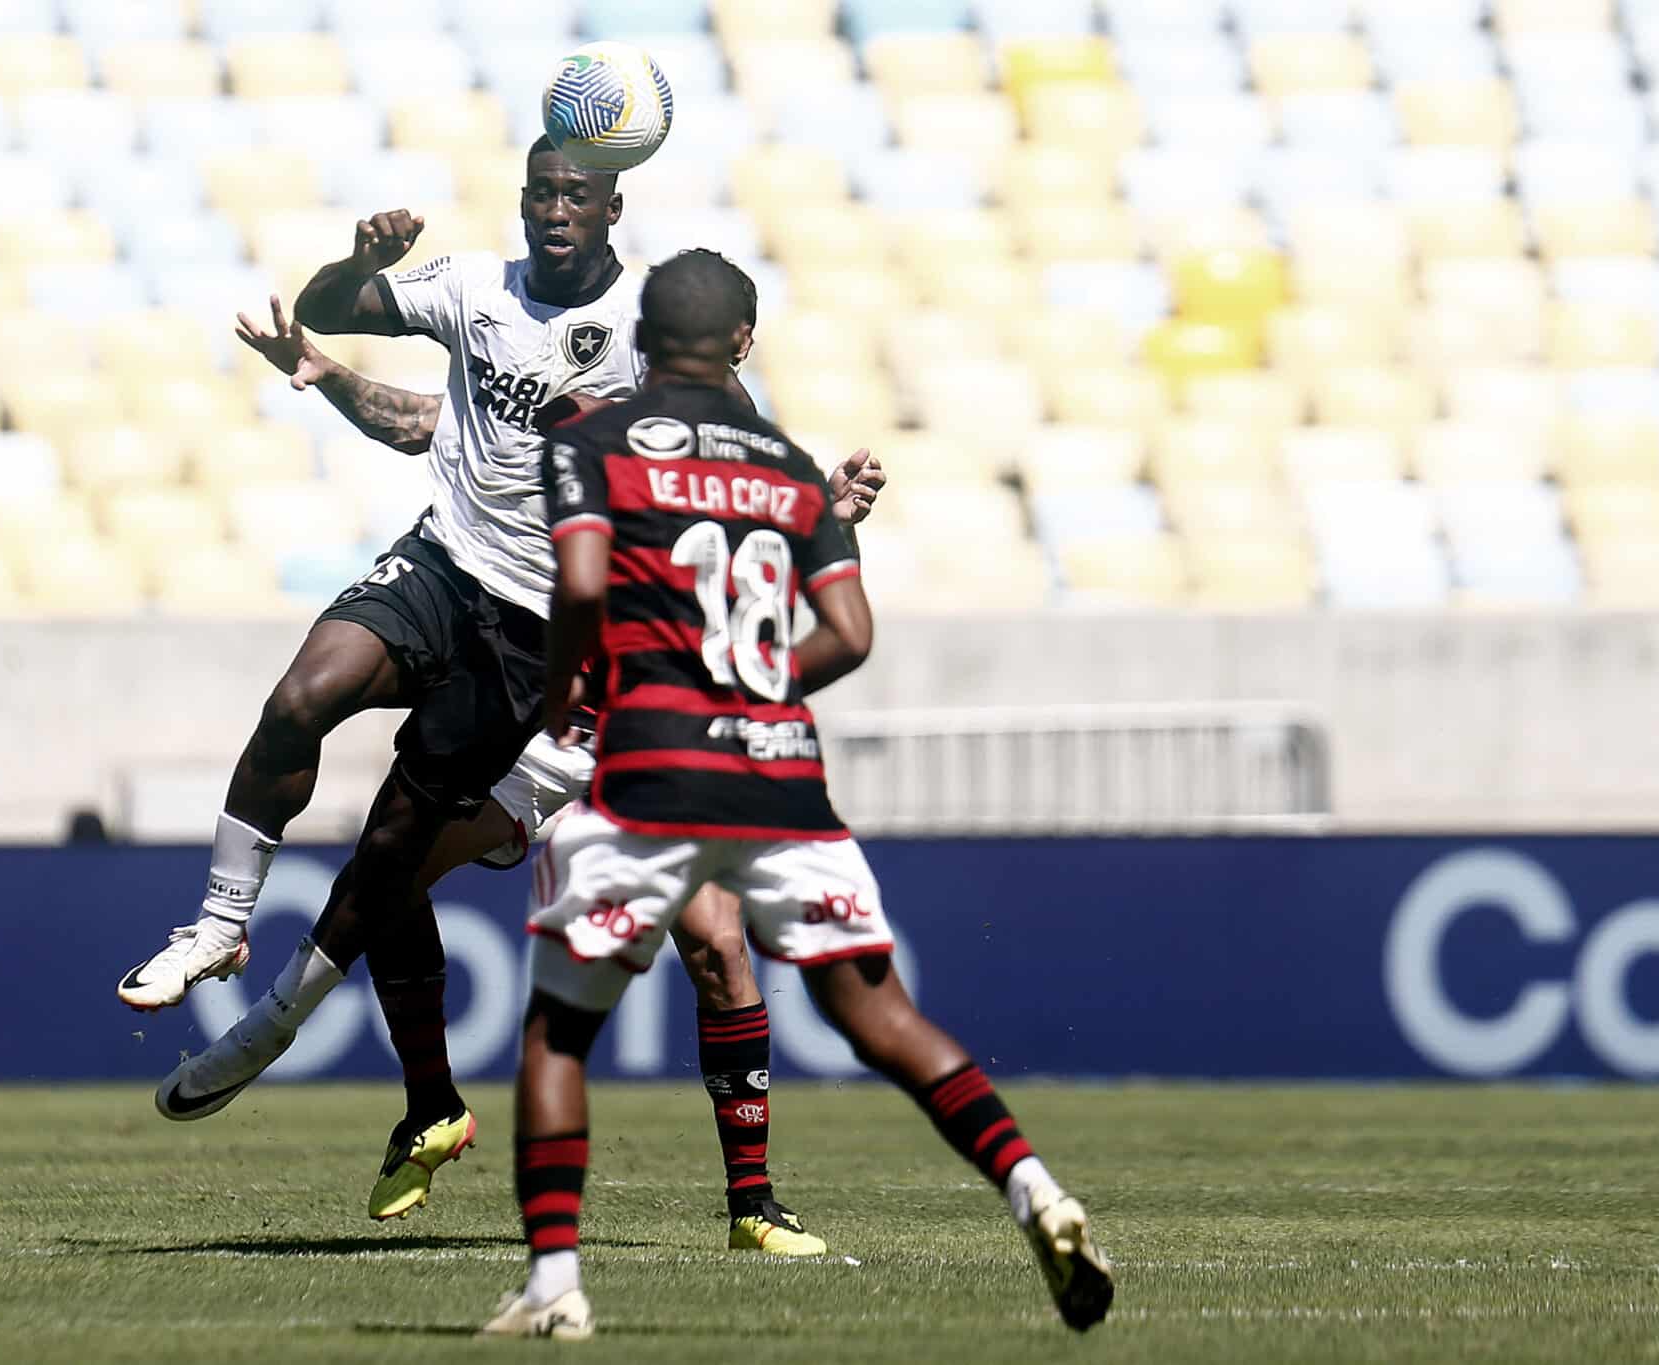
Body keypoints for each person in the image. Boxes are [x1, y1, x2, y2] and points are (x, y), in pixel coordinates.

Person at [126, 140, 881, 1253]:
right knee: (377, 831)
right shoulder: (484, 297)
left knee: (715, 942)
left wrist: (822, 503)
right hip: (475, 610)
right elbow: (435, 423)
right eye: (542, 191)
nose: (554, 209)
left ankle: (752, 1209)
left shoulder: (663, 360)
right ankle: (400, 1085)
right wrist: (332, 358)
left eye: (576, 193)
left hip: (607, 695)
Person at [483, 249, 1113, 1341]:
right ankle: (1035, 1192)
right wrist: (756, 683)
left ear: (643, 332)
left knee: (558, 1031)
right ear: (739, 339)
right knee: (880, 1014)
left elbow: (582, 585)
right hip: (776, 768)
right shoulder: (782, 468)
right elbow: (852, 634)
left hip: (652, 767)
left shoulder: (593, 441)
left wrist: (572, 697)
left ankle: (552, 1288)